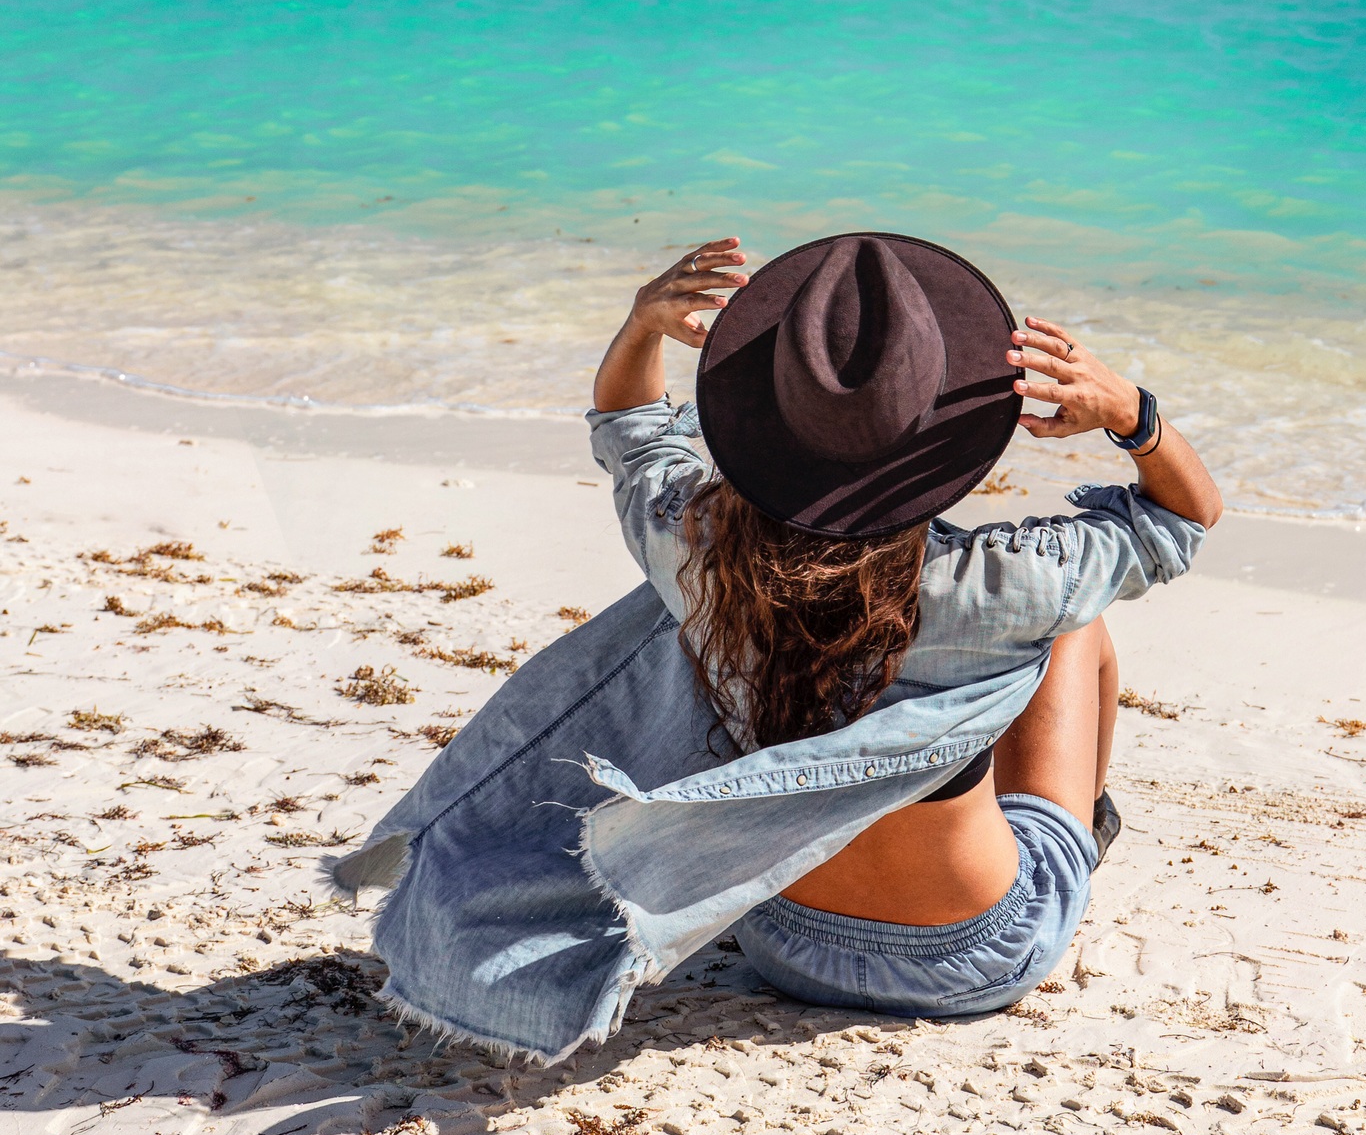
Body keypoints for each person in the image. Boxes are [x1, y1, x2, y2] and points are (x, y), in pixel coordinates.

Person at [334, 231, 1219, 1060]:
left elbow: (631, 426)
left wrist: (641, 323)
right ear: (948, 435)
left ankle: (1047, 835)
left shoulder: (694, 547)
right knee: (1074, 626)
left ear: (762, 419)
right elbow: (1182, 518)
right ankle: (1077, 837)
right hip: (975, 957)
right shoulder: (1009, 580)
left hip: (773, 936)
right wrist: (1129, 413)